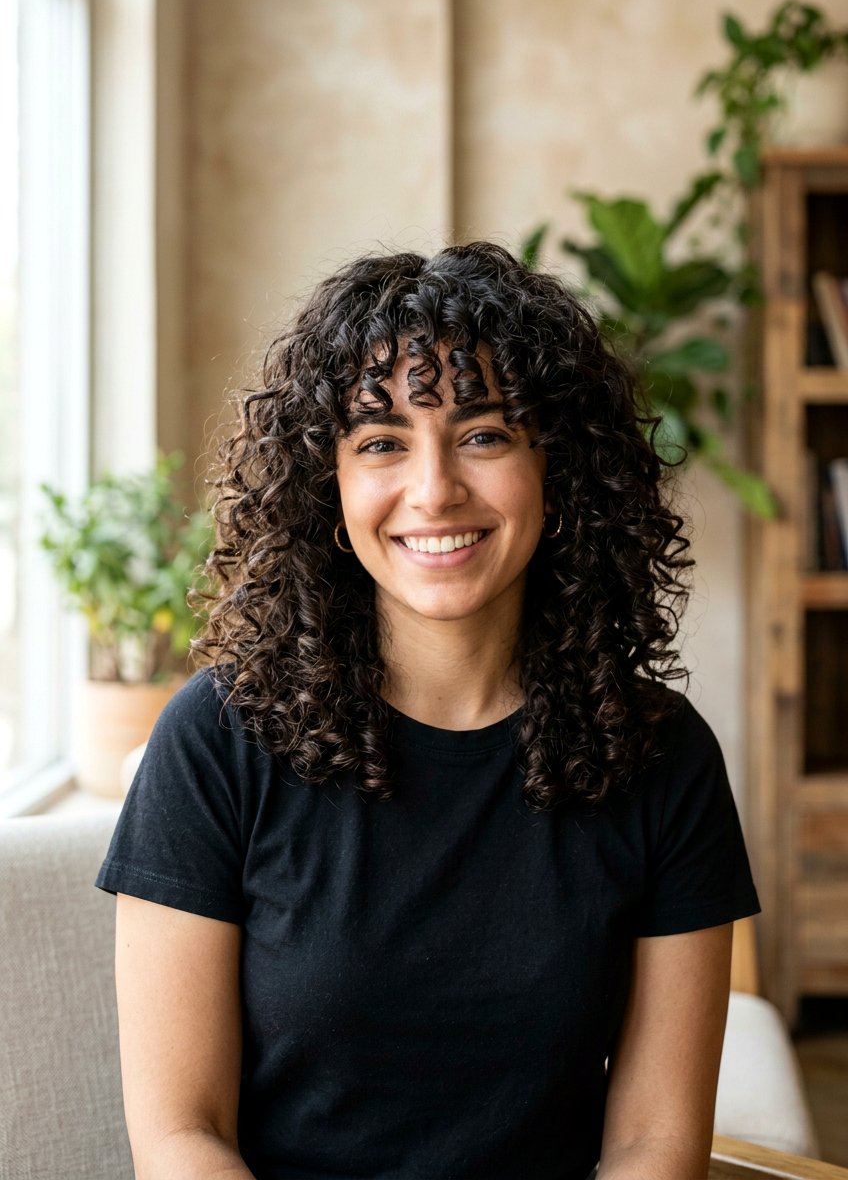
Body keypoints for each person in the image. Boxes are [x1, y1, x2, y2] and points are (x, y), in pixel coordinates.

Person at [97, 240, 760, 1180]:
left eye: (485, 434)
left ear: (555, 470)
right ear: (329, 487)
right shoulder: (216, 739)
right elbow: (181, 1135)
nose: (435, 488)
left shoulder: (663, 757)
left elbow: (655, 1145)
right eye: (381, 442)